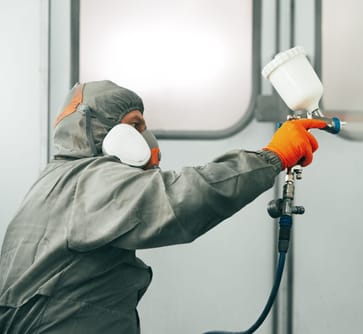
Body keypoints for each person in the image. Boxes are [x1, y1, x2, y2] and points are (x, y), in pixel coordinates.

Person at [0, 80, 326, 333]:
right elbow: (183, 197)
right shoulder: (91, 181)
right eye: (136, 126)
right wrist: (272, 158)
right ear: (100, 133)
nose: (148, 137)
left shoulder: (57, 180)